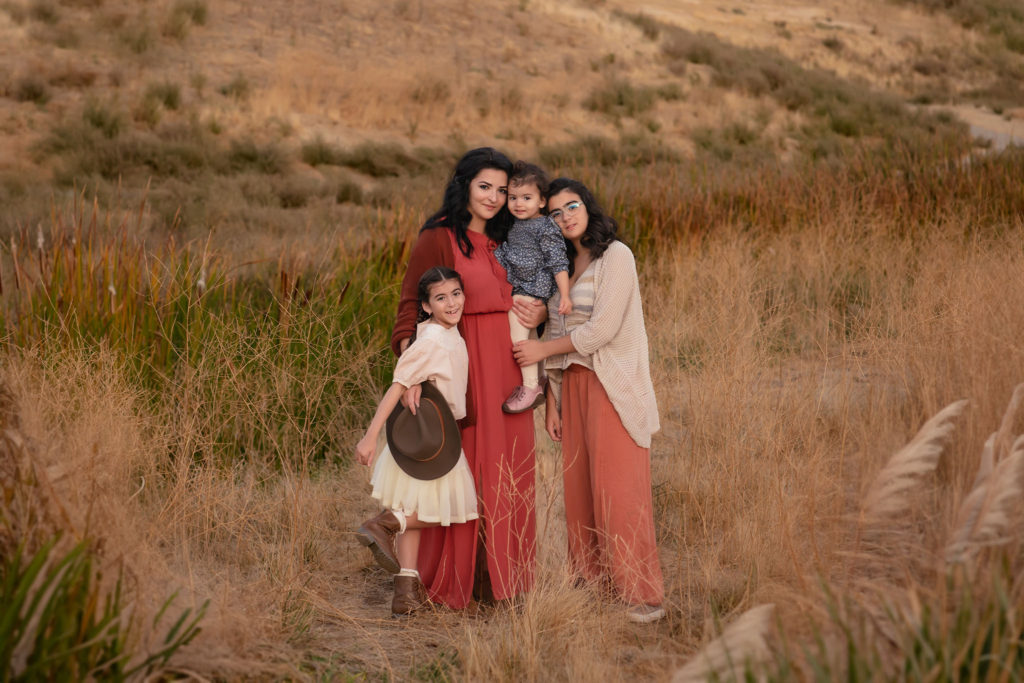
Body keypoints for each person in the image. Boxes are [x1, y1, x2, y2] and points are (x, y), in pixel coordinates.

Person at [391, 147, 546, 609]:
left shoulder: (512, 238)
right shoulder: (438, 238)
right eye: (485, 186)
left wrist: (536, 309)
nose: (495, 198)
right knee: (462, 471)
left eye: (503, 189)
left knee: (511, 470)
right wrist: (412, 371)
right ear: (464, 185)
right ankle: (453, 579)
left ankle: (506, 582)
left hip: (511, 370)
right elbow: (407, 307)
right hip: (464, 367)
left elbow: (531, 293)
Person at [512, 178, 666, 624]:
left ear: (587, 206)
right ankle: (593, 588)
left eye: (571, 206)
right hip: (574, 385)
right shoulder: (565, 263)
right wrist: (553, 402)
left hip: (610, 384)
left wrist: (540, 351)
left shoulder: (615, 256)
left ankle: (641, 593)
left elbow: (602, 331)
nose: (565, 217)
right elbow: (560, 332)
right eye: (555, 213)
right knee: (579, 493)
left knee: (619, 491)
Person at [355, 267, 478, 616]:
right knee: (453, 510)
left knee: (417, 509)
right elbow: (398, 383)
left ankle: (404, 596)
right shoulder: (434, 339)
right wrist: (370, 435)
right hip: (434, 440)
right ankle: (384, 523)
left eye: (456, 293)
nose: (452, 303)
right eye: (441, 298)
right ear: (425, 305)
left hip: (428, 438)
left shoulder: (436, 331)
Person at [494, 161, 572, 414]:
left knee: (518, 337)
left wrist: (565, 296)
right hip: (523, 286)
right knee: (528, 335)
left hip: (532, 290)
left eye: (527, 198)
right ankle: (539, 380)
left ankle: (530, 387)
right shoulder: (517, 224)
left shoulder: (545, 227)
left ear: (541, 201)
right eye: (514, 197)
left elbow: (558, 261)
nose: (519, 204)